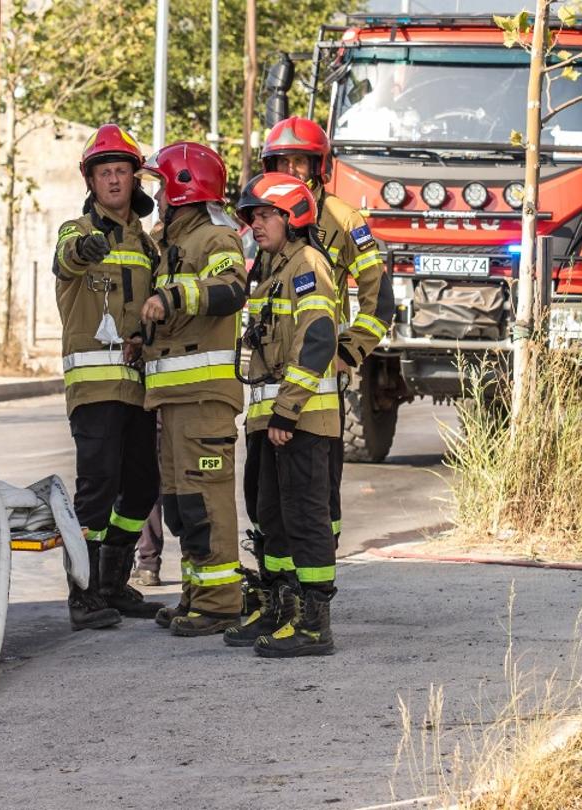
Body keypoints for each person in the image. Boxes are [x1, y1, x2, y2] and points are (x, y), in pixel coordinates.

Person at [241, 117, 391, 600]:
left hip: (313, 383)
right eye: (281, 162)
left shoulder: (345, 220)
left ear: (317, 166)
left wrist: (348, 350)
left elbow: (378, 299)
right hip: (266, 389)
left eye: (298, 162)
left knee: (313, 499)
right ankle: (277, 592)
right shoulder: (259, 224)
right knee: (263, 497)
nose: (289, 170)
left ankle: (313, 596)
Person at [51, 123, 165, 628]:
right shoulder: (77, 232)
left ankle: (113, 583)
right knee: (97, 488)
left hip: (139, 386)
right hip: (95, 387)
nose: (114, 180)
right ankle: (83, 593)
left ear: (134, 179)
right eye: (105, 172)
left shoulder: (148, 245)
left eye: (121, 171)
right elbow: (67, 257)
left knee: (141, 488)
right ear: (91, 181)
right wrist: (85, 251)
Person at [226, 172, 342, 657]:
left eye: (265, 214)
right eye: (252, 216)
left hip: (300, 421)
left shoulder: (307, 265)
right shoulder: (272, 270)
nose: (255, 223)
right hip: (270, 420)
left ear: (292, 215)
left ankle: (315, 623)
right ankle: (279, 605)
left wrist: (287, 412)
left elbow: (317, 339)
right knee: (270, 516)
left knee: (305, 519)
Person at [137, 141, 249, 636]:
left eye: (162, 186)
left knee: (206, 503)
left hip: (204, 400)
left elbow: (232, 290)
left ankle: (221, 602)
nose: (157, 196)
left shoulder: (215, 239)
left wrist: (175, 293)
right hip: (175, 399)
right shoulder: (174, 242)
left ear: (185, 188)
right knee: (184, 507)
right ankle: (196, 594)